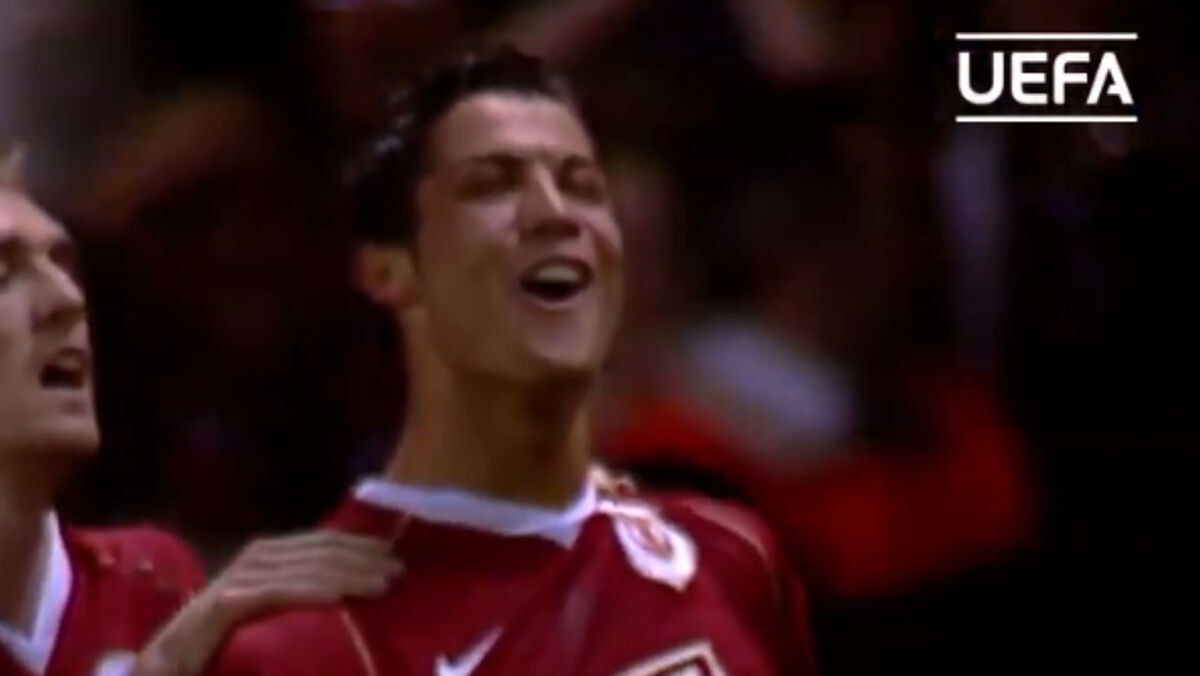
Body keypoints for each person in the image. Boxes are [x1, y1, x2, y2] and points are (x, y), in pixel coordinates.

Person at [211, 45, 817, 675]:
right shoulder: (313, 641)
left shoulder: (732, 555)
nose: (556, 215)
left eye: (583, 186)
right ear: (389, 270)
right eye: (491, 185)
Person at [0, 144, 400, 676]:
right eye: (3, 273)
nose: (66, 299)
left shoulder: (153, 582)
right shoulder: (183, 628)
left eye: (61, 262)